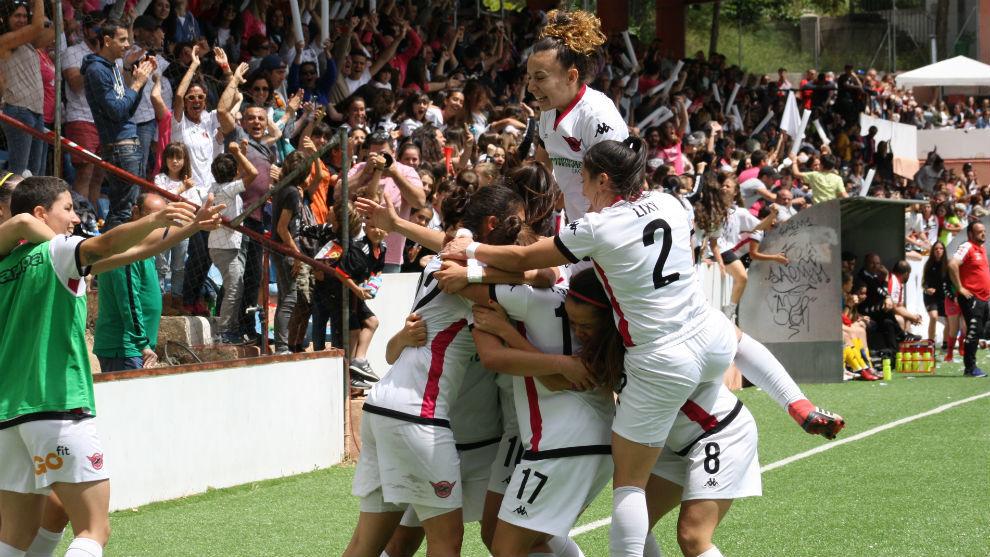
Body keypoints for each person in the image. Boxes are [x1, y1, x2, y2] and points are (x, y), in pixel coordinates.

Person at [0, 176, 218, 557]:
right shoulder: (59, 250)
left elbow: (131, 251)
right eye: (67, 208)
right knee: (94, 529)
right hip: (57, 406)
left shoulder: (7, 265)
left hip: (8, 417)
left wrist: (190, 226)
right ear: (39, 213)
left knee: (14, 538)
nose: (73, 217)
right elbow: (109, 243)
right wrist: (155, 218)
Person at [345, 186, 528, 557]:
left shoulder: (438, 261)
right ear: (493, 225)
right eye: (516, 224)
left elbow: (452, 245)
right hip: (420, 414)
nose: (520, 235)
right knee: (447, 542)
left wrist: (399, 225)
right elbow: (537, 274)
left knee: (367, 544)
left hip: (381, 408)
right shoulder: (466, 275)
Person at [529, 9, 628, 222]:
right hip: (578, 230)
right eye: (529, 78)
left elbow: (610, 192)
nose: (530, 87)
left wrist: (578, 241)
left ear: (571, 76)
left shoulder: (598, 117)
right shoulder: (548, 111)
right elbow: (542, 165)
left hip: (607, 229)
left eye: (539, 78)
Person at [82, 20, 156, 228]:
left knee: (126, 208)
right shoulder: (96, 70)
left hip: (128, 145)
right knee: (124, 211)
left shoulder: (112, 67)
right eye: (122, 39)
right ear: (107, 40)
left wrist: (139, 81)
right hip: (120, 147)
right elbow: (116, 111)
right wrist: (137, 83)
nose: (127, 45)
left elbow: (128, 110)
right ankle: (111, 258)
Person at [208, 143, 259, 344]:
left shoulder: (216, 187)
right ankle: (225, 332)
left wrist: (240, 155)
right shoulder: (229, 189)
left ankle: (231, 329)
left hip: (222, 246)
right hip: (226, 248)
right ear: (234, 173)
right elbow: (253, 173)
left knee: (234, 287)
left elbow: (241, 176)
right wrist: (238, 153)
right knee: (234, 288)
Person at [0, 0, 49, 177]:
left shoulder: (28, 43)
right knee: (19, 171)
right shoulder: (4, 41)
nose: (21, 20)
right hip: (18, 110)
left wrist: (55, 11)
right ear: (5, 18)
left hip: (36, 111)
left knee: (35, 174)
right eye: (16, 16)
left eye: (24, 16)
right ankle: (10, 205)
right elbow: (37, 27)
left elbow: (53, 32)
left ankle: (28, 205)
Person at [947, 222, 990, 377]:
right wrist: (960, 288)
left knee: (978, 331)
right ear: (970, 234)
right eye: (979, 232)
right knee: (973, 330)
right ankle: (970, 368)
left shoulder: (982, 249)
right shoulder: (967, 246)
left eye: (984, 231)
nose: (983, 234)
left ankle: (971, 366)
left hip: (983, 299)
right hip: (972, 297)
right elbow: (952, 264)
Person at [922, 242, 949, 344]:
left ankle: (945, 344)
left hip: (944, 297)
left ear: (944, 251)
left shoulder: (948, 265)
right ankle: (931, 343)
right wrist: (927, 289)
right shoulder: (929, 265)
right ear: (933, 251)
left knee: (949, 320)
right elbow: (924, 283)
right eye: (936, 249)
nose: (938, 251)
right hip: (931, 296)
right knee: (933, 317)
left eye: (941, 248)